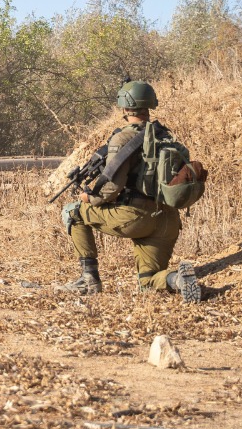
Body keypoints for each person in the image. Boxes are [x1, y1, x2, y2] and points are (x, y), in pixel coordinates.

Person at [57, 80, 199, 300]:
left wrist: (89, 198)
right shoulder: (165, 135)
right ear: (150, 105)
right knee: (148, 282)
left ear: (124, 107)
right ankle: (177, 280)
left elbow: (112, 188)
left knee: (73, 212)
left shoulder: (123, 138)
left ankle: (89, 280)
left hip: (136, 218)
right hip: (167, 220)